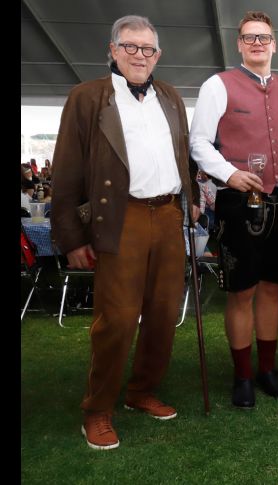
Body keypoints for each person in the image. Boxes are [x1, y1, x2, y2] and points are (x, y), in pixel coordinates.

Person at [50, 15, 199, 451]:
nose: (139, 55)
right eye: (130, 47)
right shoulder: (87, 97)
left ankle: (141, 392)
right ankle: (97, 409)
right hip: (121, 217)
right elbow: (67, 170)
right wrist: (72, 237)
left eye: (147, 49)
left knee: (163, 313)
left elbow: (180, 154)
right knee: (116, 319)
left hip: (168, 215)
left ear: (158, 55)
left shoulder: (170, 96)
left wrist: (191, 195)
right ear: (112, 50)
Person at [190, 10, 278, 407]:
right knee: (241, 291)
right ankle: (242, 376)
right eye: (249, 37)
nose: (257, 43)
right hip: (239, 200)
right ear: (239, 44)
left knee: (272, 288)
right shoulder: (217, 85)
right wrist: (229, 173)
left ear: (275, 44)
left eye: (264, 37)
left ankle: (267, 370)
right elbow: (199, 142)